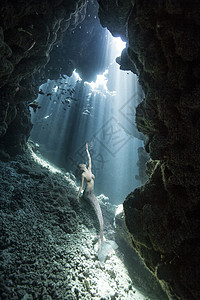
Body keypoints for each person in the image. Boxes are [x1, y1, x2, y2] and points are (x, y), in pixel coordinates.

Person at [76, 143, 104, 243]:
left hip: (92, 193)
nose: (84, 164)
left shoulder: (89, 169)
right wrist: (77, 196)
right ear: (80, 167)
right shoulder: (83, 174)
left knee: (99, 212)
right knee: (96, 211)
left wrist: (87, 149)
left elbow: (90, 158)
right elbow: (81, 186)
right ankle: (100, 235)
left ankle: (101, 236)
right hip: (87, 194)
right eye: (82, 164)